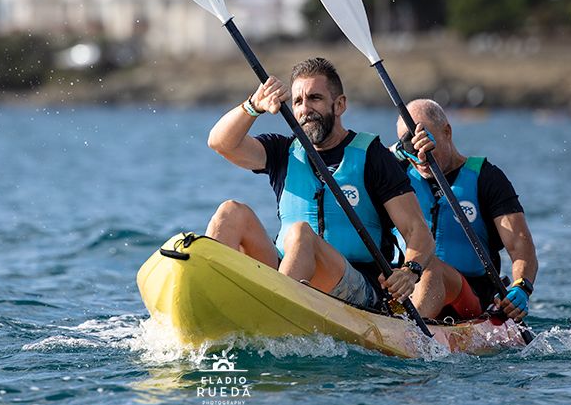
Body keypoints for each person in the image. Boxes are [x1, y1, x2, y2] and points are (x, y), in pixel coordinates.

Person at [204, 57, 445, 316]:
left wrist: (410, 272)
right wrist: (253, 106)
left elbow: (416, 230)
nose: (305, 109)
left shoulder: (373, 155)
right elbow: (220, 143)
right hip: (287, 274)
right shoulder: (282, 151)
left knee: (300, 234)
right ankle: (209, 302)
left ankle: (273, 313)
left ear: (339, 104)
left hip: (359, 287)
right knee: (230, 212)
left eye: (315, 98)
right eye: (298, 101)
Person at [391, 99, 539, 322]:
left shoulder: (487, 178)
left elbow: (521, 247)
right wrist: (397, 152)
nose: (420, 155)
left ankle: (407, 333)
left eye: (426, 140)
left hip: (469, 299)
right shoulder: (394, 172)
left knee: (429, 265)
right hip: (408, 288)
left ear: (447, 132)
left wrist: (521, 287)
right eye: (410, 144)